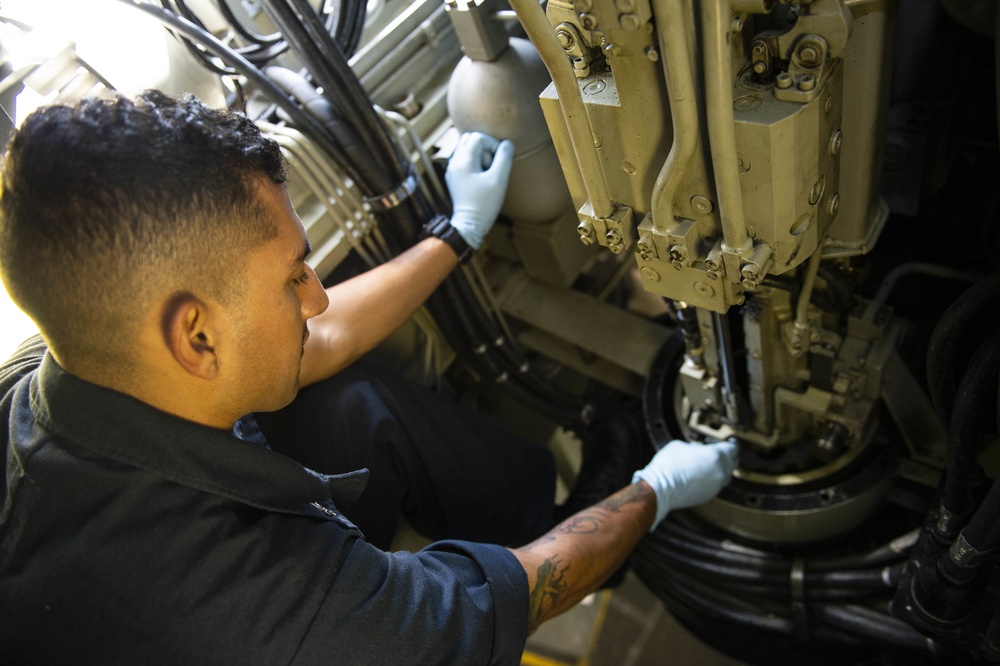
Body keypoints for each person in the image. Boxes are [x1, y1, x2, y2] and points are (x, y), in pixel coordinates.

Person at [0, 91, 738, 664]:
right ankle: (599, 539)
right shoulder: (270, 616)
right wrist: (653, 491)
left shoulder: (55, 367)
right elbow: (499, 603)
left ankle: (548, 511)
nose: (315, 295)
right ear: (196, 334)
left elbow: (324, 338)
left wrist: (457, 234)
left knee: (354, 406)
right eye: (294, 277)